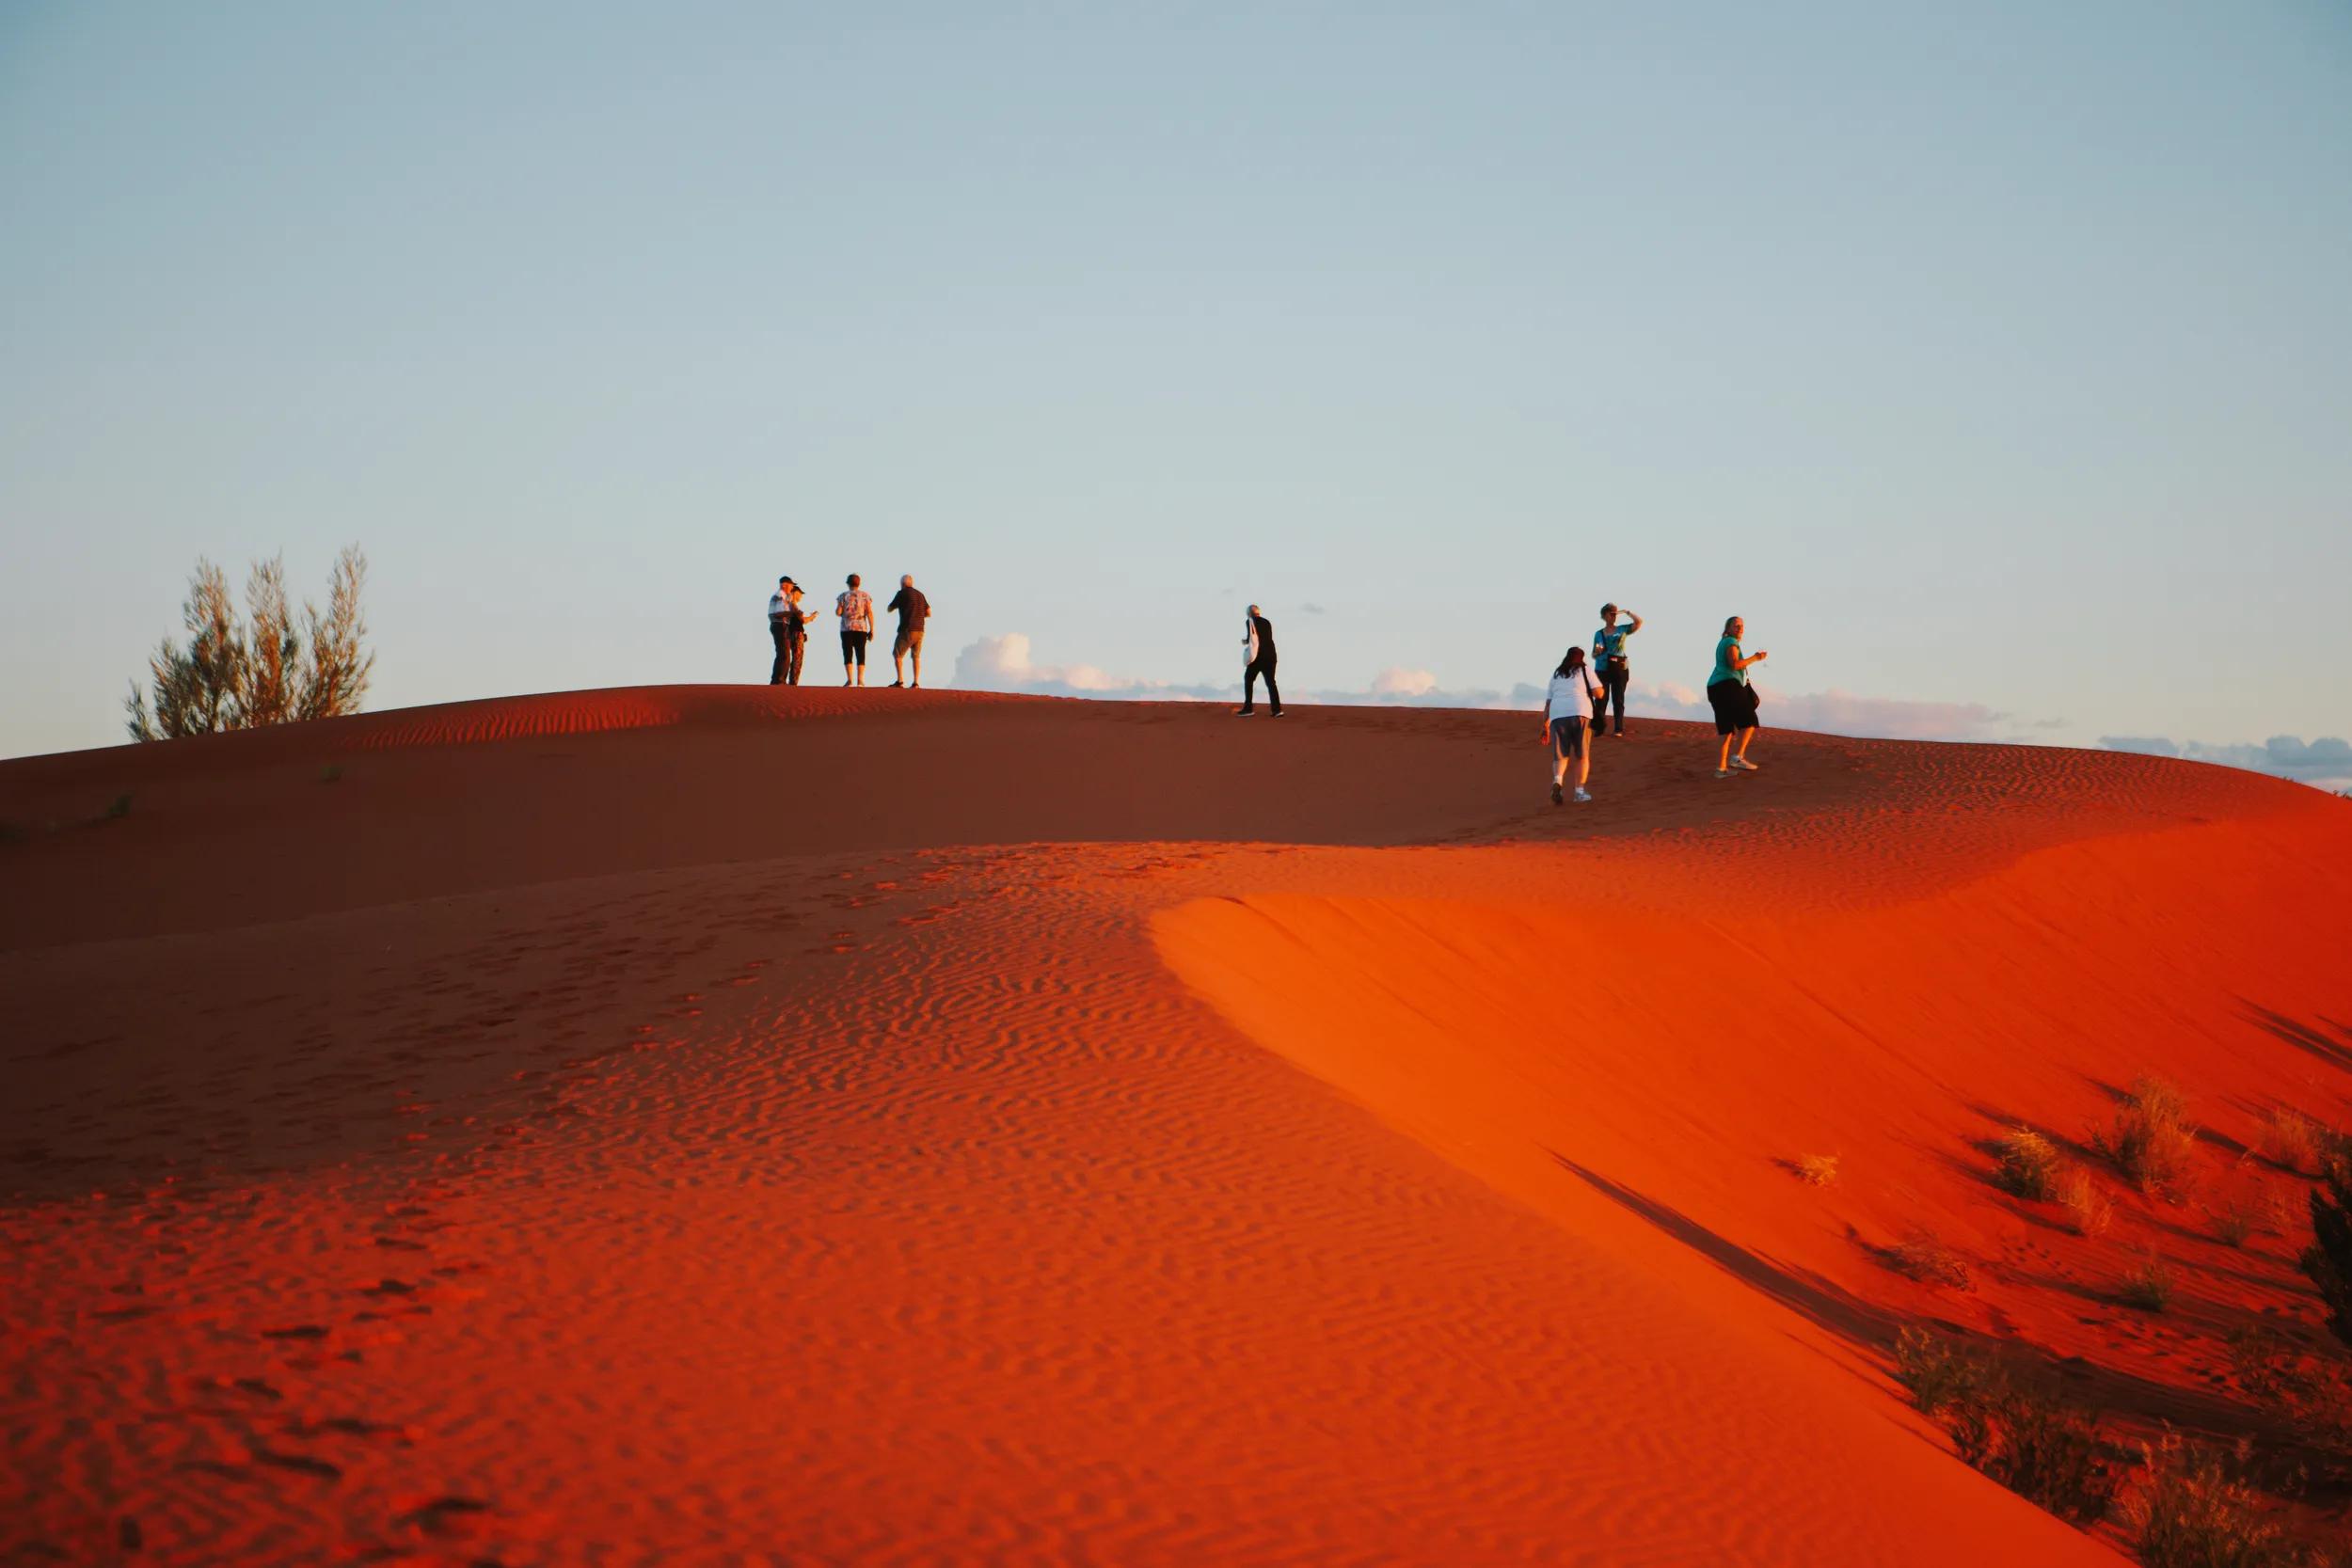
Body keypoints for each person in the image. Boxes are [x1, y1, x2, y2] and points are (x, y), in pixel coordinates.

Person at [1541, 645, 1606, 804]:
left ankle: (1557, 780)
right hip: (1580, 712)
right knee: (1581, 755)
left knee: (1560, 755)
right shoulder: (1584, 670)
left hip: (1558, 715)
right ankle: (1579, 792)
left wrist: (1545, 726)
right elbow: (1599, 693)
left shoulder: (1557, 674)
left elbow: (1548, 702)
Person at [1707, 614, 1769, 777]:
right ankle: (1738, 757)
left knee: (1726, 730)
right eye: (1736, 625)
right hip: (1727, 686)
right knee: (1749, 721)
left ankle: (1721, 769)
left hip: (1715, 687)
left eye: (1742, 626)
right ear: (1728, 629)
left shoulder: (1724, 643)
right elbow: (1735, 664)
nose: (1740, 628)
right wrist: (1755, 658)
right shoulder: (1730, 642)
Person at [1588, 602, 1643, 737]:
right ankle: (1599, 728)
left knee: (1618, 699)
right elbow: (1594, 654)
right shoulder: (1599, 634)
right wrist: (1597, 651)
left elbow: (1639, 622)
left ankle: (1618, 729)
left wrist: (1627, 613)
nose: (1614, 617)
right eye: (1611, 614)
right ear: (1605, 616)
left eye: (1615, 614)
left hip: (1619, 668)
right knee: (1601, 699)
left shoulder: (1622, 629)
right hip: (1602, 668)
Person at [885, 574, 931, 689]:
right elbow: (929, 612)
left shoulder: (902, 593)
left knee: (897, 654)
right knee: (916, 656)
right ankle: (916, 682)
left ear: (902, 584)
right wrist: (918, 615)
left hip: (907, 628)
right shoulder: (920, 594)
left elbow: (890, 608)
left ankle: (900, 680)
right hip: (920, 629)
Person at [1236, 604, 1282, 717]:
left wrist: (1245, 641)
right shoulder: (1267, 622)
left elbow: (1252, 638)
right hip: (1271, 656)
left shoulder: (1250, 621)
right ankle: (1277, 710)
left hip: (1258, 657)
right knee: (1271, 683)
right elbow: (1264, 636)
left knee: (1248, 679)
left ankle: (1248, 708)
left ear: (1249, 614)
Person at [836, 573, 875, 687]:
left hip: (846, 628)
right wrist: (872, 629)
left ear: (848, 583)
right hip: (861, 628)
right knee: (860, 653)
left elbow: (838, 612)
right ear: (859, 583)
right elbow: (869, 613)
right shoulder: (865, 596)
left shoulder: (843, 596)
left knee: (847, 653)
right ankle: (860, 680)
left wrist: (843, 611)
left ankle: (849, 680)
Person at [781, 580, 819, 686]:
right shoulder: (792, 605)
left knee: (794, 658)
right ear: (794, 593)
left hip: (792, 633)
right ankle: (793, 683)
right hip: (796, 634)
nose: (801, 596)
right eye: (800, 593)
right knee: (797, 658)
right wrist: (812, 617)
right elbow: (803, 620)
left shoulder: (788, 605)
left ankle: (791, 682)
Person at [767, 576, 795, 686]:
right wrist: (793, 613)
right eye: (790, 585)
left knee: (783, 653)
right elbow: (778, 614)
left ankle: (778, 680)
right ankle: (779, 681)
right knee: (784, 654)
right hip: (780, 625)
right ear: (784, 585)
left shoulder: (783, 596)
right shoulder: (780, 595)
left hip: (779, 625)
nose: (792, 587)